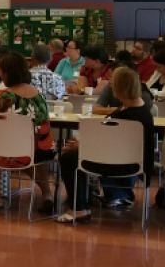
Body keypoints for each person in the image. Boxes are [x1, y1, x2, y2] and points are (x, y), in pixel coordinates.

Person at [56, 67, 156, 223]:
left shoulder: (127, 115)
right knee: (74, 155)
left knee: (68, 158)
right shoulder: (139, 110)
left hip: (116, 163)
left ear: (120, 87)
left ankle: (79, 208)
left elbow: (110, 145)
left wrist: (83, 146)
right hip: (133, 163)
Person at [0, 52, 56, 212]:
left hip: (11, 151)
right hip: (41, 149)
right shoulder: (39, 95)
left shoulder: (2, 97)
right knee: (27, 157)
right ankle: (47, 193)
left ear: (7, 73)